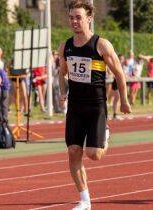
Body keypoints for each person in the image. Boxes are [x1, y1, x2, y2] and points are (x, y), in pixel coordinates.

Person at [58, 1, 131, 209]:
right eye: (71, 17)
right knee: (73, 151)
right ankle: (85, 200)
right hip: (75, 107)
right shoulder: (66, 46)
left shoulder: (101, 45)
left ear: (89, 18)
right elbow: (61, 73)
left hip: (96, 106)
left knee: (94, 154)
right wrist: (63, 92)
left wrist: (124, 100)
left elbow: (118, 73)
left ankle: (104, 133)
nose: (74, 21)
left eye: (78, 17)